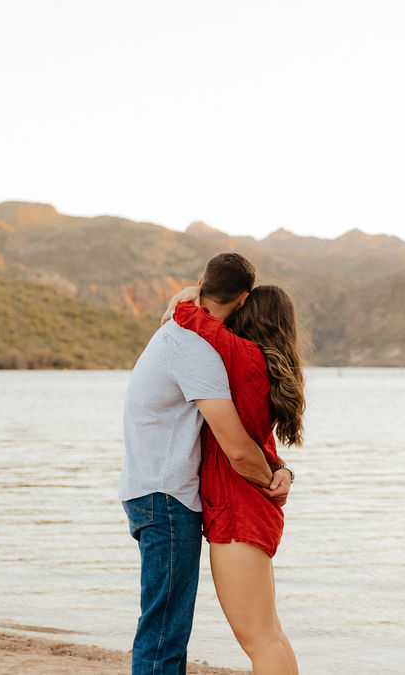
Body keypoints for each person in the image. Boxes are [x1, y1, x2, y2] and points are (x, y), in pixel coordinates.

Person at [119, 253, 292, 675]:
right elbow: (238, 446)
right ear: (242, 299)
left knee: (166, 632)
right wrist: (275, 477)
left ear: (202, 283)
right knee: (165, 635)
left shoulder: (189, 336)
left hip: (160, 494)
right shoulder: (196, 347)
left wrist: (278, 471)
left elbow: (243, 438)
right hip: (167, 497)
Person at [164, 284, 304, 675]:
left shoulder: (240, 356)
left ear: (246, 313)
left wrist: (194, 291)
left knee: (260, 640)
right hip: (246, 507)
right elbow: (261, 440)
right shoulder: (262, 365)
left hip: (239, 511)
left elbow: (187, 315)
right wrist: (282, 472)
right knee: (270, 635)